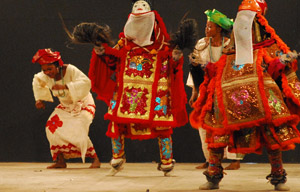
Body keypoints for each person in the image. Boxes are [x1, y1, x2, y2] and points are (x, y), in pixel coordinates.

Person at [68, 0, 190, 176]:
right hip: (127, 92)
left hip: (156, 92)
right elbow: (113, 60)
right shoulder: (124, 45)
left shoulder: (163, 46)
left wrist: (176, 58)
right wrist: (102, 52)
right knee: (116, 122)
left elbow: (173, 67)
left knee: (162, 127)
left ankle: (166, 161)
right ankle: (117, 158)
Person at [190, 0, 300, 190]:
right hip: (228, 99)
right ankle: (213, 175)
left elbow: (273, 69)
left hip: (261, 99)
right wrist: (201, 66)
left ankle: (278, 176)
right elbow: (217, 70)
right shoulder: (230, 49)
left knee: (272, 135)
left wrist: (283, 61)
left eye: (249, 19)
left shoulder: (267, 46)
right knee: (217, 134)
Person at [187, 9, 244, 170]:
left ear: (219, 29)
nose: (207, 29)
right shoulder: (201, 44)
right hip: (206, 89)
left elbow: (235, 67)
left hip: (225, 89)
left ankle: (235, 159)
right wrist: (195, 91)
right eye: (206, 26)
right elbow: (195, 70)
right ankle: (209, 158)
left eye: (210, 26)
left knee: (229, 123)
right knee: (204, 123)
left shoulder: (229, 46)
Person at [32, 48, 101, 169]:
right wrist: (39, 99)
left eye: (50, 69)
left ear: (57, 65)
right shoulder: (44, 76)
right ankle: (60, 160)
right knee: (51, 127)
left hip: (83, 103)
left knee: (79, 128)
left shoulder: (70, 70)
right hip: (65, 106)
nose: (47, 72)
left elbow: (86, 82)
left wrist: (66, 86)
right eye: (44, 70)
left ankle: (95, 159)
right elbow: (37, 81)